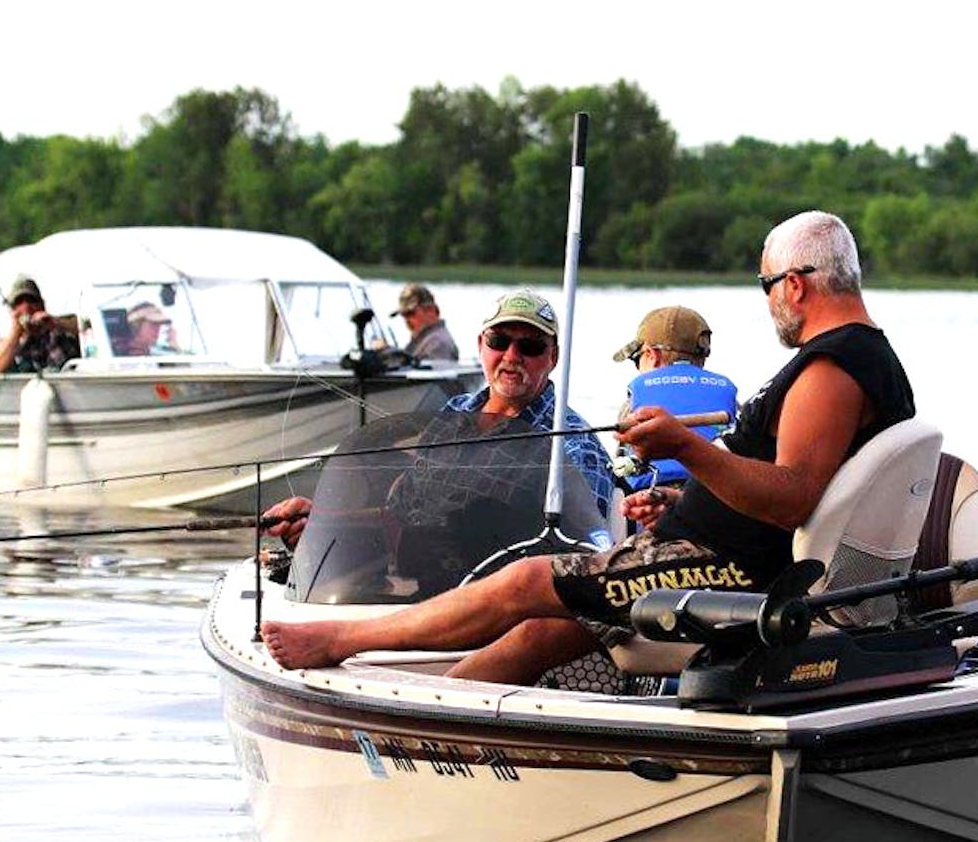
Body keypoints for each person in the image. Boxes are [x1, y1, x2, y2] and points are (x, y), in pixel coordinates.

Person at [260, 211, 916, 686]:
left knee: (522, 582)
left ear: (795, 285)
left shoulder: (832, 366)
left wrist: (685, 446)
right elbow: (783, 485)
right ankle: (423, 724)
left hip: (722, 571)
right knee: (542, 632)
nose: (770, 302)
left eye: (766, 286)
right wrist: (682, 490)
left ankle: (340, 640)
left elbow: (792, 497)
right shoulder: (860, 357)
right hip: (699, 551)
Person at [263, 288, 615, 552]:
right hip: (426, 576)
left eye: (531, 347)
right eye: (499, 340)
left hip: (501, 599)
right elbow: (403, 510)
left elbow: (585, 552)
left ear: (552, 357)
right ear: (481, 344)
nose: (512, 356)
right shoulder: (456, 411)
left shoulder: (575, 445)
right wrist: (321, 521)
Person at [611, 306, 739, 490]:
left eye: (636, 360)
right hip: (717, 500)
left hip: (651, 502)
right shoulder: (733, 404)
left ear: (651, 355)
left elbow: (621, 469)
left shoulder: (632, 406)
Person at [0, 277, 81, 373]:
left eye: (31, 300)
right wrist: (16, 331)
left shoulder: (59, 331)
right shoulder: (7, 344)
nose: (26, 307)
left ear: (41, 305)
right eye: (19, 302)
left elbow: (86, 328)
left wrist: (55, 323)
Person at [390, 282, 459, 362]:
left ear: (430, 310)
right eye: (403, 315)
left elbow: (436, 373)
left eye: (410, 313)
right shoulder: (424, 340)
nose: (407, 320)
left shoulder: (438, 344)